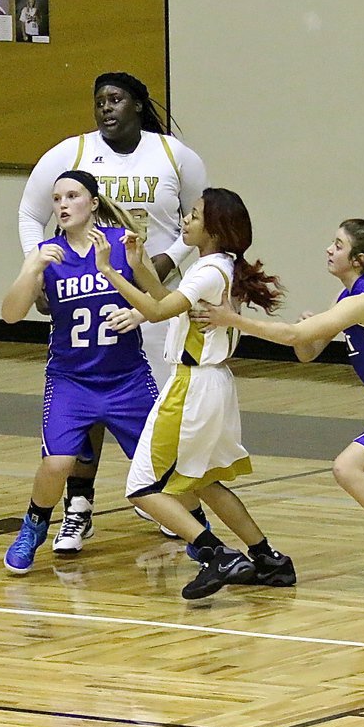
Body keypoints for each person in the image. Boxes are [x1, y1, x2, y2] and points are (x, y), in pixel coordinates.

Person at [205, 219, 364, 592]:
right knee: (363, 477)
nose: (329, 249)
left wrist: (233, 319)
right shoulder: (349, 299)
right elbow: (305, 351)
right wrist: (310, 329)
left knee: (347, 468)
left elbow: (292, 336)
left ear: (358, 259)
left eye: (338, 245)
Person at [18, 72, 209, 552]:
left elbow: (202, 221)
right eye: (99, 100)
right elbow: (28, 212)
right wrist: (38, 267)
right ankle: (77, 509)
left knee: (156, 412)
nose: (106, 108)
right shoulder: (71, 154)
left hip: (152, 292)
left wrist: (171, 264)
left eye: (116, 99)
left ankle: (174, 505)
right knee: (86, 405)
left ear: (139, 105)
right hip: (90, 290)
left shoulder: (174, 156)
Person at [91, 188, 296, 601]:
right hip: (213, 385)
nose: (186, 219)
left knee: (144, 488)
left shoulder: (208, 271)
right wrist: (138, 265)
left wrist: (111, 273)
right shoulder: (220, 266)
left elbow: (156, 312)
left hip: (192, 385)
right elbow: (169, 300)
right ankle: (268, 558)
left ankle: (215, 554)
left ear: (215, 228)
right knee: (205, 481)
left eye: (195, 215)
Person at [0, 170, 158, 573]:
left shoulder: (122, 246)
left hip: (127, 378)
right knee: (57, 464)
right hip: (72, 380)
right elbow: (11, 315)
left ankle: (200, 534)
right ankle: (33, 526)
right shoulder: (47, 254)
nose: (63, 205)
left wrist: (139, 313)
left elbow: (162, 299)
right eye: (57, 199)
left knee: (160, 462)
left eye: (72, 196)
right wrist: (29, 270)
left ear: (92, 202)